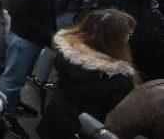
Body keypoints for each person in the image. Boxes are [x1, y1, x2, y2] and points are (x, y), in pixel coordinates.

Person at [0, 0, 66, 139]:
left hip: (36, 37)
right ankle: (4, 115)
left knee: (19, 76)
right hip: (24, 37)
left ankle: (13, 103)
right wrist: (47, 36)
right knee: (12, 79)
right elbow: (18, 11)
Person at [36, 9, 139, 139]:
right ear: (117, 39)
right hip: (84, 128)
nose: (130, 36)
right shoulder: (118, 77)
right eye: (128, 33)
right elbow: (116, 115)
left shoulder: (66, 54)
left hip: (55, 117)